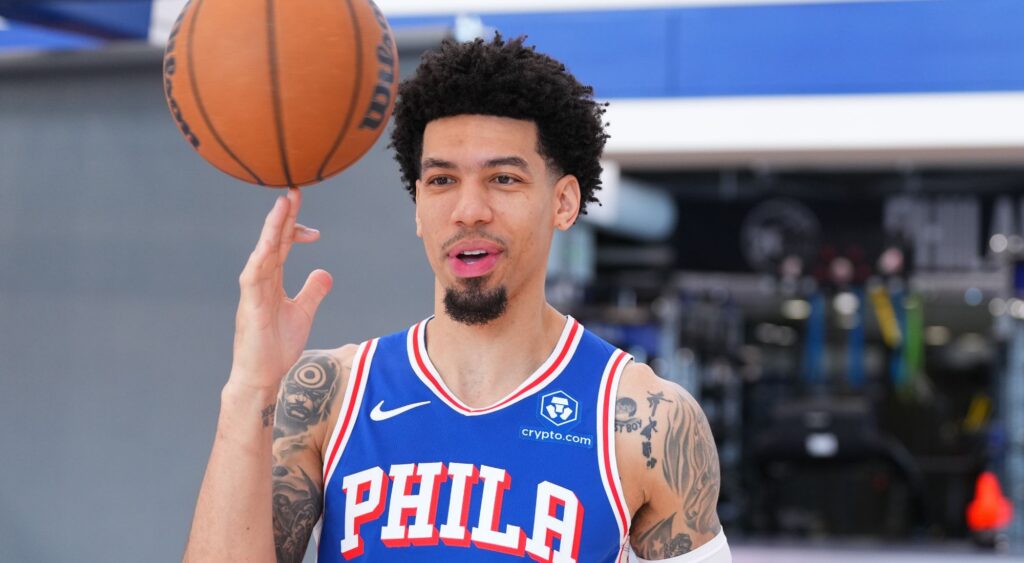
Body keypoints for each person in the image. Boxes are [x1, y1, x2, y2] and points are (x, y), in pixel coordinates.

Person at [183, 35, 730, 563]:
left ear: (563, 203)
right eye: (442, 180)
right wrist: (251, 384)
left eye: (504, 179)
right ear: (418, 207)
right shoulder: (327, 394)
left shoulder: (647, 422)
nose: (469, 210)